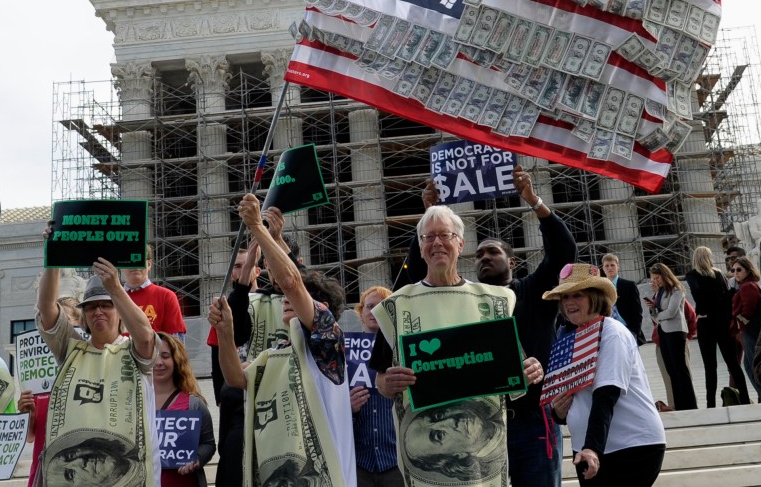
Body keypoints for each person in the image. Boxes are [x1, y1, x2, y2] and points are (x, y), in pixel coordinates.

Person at [370, 203, 544, 486]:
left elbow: (516, 367)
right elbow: (379, 377)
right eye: (429, 237)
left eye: (445, 235)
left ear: (460, 244)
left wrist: (531, 370)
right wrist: (386, 384)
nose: (437, 242)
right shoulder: (395, 307)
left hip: (480, 460)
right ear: (421, 245)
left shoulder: (493, 300)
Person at [210, 193, 356, 485]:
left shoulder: (327, 339)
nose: (286, 298)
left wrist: (258, 228)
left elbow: (290, 281)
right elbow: (236, 378)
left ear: (322, 308)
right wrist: (226, 333)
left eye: (299, 297)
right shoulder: (278, 350)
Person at [469, 165, 576, 487]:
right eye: (478, 254)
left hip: (532, 421)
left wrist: (533, 201)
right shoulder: (466, 303)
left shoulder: (533, 291)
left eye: (492, 252)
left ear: (512, 262)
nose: (484, 258)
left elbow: (564, 252)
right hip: (482, 425)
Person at [36, 241, 161, 487]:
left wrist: (115, 288)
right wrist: (53, 255)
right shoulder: (71, 349)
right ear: (84, 316)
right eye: (91, 307)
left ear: (120, 311)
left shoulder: (134, 352)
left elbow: (146, 336)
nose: (98, 312)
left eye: (106, 305)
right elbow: (47, 310)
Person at [546, 264, 665, 486]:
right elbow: (577, 397)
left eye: (577, 295)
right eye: (565, 296)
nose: (569, 302)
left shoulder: (612, 332)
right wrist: (559, 413)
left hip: (628, 447)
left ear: (596, 297)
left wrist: (592, 447)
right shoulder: (572, 337)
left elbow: (606, 394)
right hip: (592, 449)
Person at [18, 296, 84, 487]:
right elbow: (31, 436)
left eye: (64, 320)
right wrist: (26, 413)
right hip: (44, 476)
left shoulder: (90, 371)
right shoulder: (36, 382)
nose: (56, 327)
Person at [205, 242, 257, 487]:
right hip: (234, 395)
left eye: (246, 265)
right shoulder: (226, 307)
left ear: (258, 269)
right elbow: (217, 355)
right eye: (236, 266)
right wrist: (219, 395)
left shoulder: (274, 301)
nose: (240, 270)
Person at [350, 286, 404, 487]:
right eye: (369, 307)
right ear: (361, 313)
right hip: (358, 460)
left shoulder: (403, 350)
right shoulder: (343, 351)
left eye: (381, 307)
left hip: (395, 459)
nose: (374, 312)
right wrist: (348, 408)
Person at [685, 246, 750, 407]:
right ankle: (745, 398)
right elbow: (726, 298)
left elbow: (698, 297)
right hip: (722, 322)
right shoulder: (719, 273)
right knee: (733, 363)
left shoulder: (692, 275)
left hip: (706, 323)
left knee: (710, 366)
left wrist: (702, 311)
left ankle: (710, 404)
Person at [154, 332, 216, 486]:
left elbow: (208, 444)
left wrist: (197, 459)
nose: (159, 362)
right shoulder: (134, 404)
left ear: (176, 361)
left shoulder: (194, 404)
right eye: (153, 356)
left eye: (165, 356)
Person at [644, 263, 697, 410]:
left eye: (657, 277)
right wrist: (652, 309)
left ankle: (691, 404)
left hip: (676, 332)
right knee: (671, 370)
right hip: (663, 332)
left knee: (681, 369)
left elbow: (671, 312)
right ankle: (679, 404)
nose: (655, 281)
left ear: (664, 276)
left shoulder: (676, 289)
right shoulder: (659, 293)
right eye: (652, 278)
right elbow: (656, 318)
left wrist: (659, 314)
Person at [123, 244, 187, 341]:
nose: (135, 263)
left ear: (149, 264)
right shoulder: (112, 300)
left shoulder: (166, 296)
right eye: (129, 259)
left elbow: (176, 345)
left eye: (139, 258)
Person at [729, 256, 761, 402]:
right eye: (733, 270)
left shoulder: (747, 286)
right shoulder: (747, 285)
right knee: (750, 365)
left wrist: (740, 323)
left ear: (748, 270)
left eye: (739, 270)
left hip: (751, 332)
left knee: (752, 366)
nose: (735, 273)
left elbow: (748, 310)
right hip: (751, 331)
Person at [601, 253, 645, 344]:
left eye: (612, 265)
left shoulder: (629, 285)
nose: (610, 268)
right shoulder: (600, 289)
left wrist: (635, 331)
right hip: (608, 330)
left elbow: (637, 310)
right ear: (603, 268)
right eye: (607, 266)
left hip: (628, 329)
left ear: (618, 266)